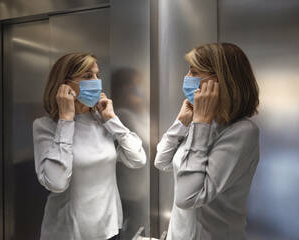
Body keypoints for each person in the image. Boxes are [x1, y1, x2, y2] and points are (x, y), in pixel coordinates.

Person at [32, 53, 147, 240]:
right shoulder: (46, 126)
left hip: (109, 229)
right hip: (67, 233)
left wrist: (111, 119)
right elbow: (57, 182)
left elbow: (138, 159)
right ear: (64, 85)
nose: (96, 82)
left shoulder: (101, 122)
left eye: (97, 75)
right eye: (87, 76)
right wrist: (66, 121)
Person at [154, 43, 260, 240]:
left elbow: (188, 197)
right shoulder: (200, 121)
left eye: (194, 72)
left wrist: (200, 124)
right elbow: (162, 161)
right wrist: (182, 123)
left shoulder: (243, 133)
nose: (187, 78)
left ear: (222, 81)